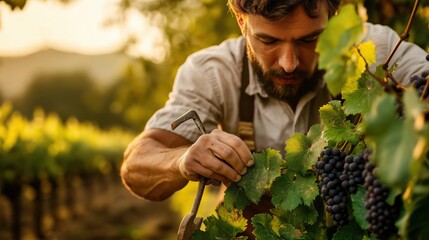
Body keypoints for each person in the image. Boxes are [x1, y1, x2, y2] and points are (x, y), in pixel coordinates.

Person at [120, 0, 429, 238]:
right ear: (241, 22)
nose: (289, 63)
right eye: (268, 41)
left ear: (334, 21)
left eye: (310, 40)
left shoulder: (379, 53)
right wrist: (182, 160)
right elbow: (136, 167)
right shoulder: (212, 72)